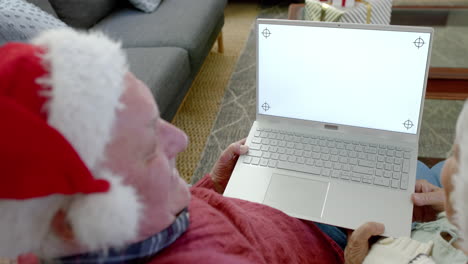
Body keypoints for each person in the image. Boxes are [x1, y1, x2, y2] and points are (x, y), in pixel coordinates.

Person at [0, 28, 343, 263]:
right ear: (74, 221)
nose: (182, 140)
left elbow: (165, 205)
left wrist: (214, 183)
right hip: (319, 240)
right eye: (149, 150)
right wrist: (357, 256)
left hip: (257, 211)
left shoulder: (53, 234)